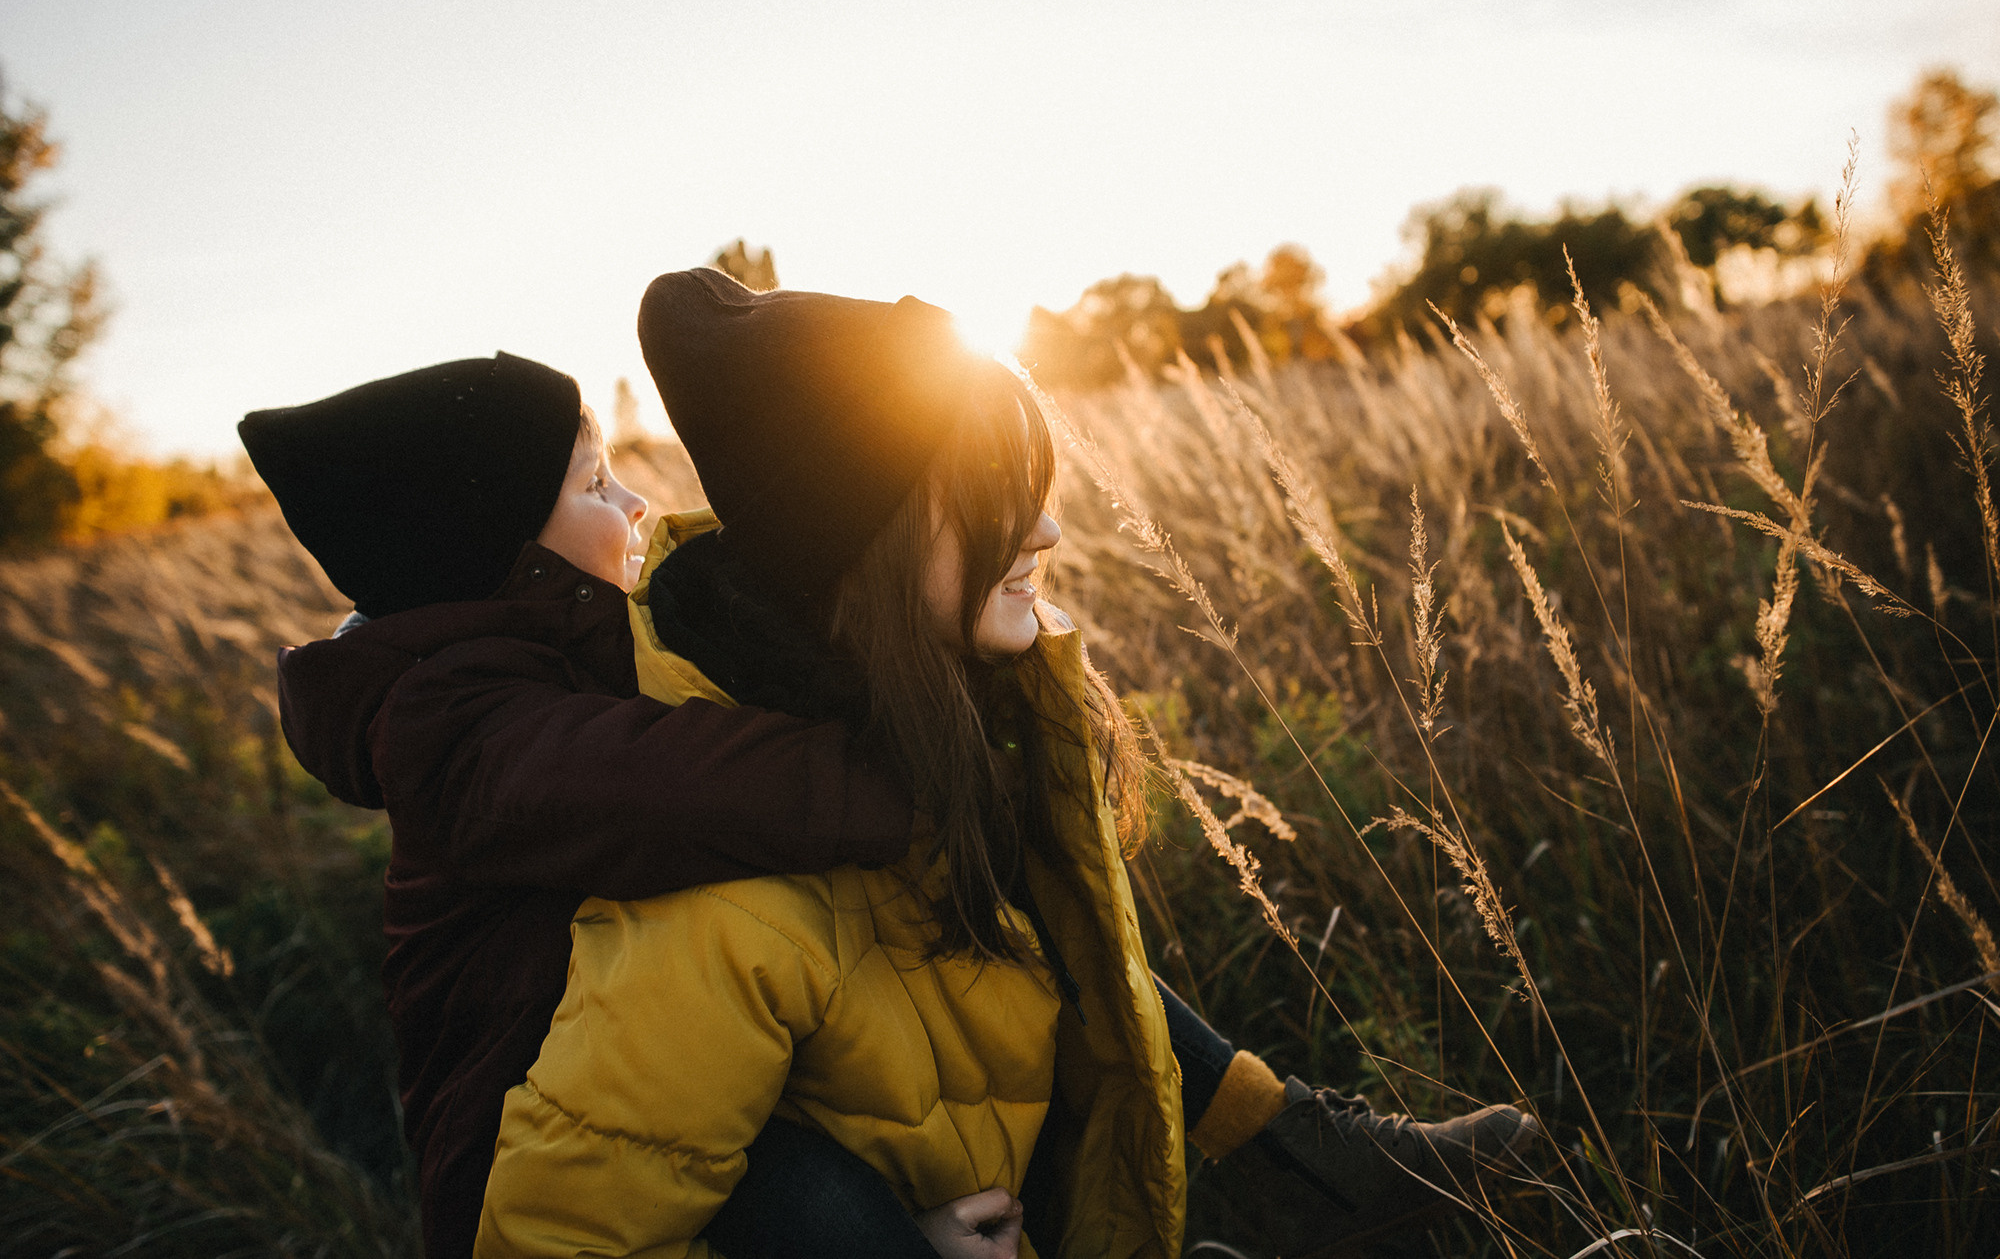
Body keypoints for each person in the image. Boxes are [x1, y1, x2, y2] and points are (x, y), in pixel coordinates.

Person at [474, 271, 1533, 1259]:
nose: (1047, 528)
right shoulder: (726, 878)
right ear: (862, 543)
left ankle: (1292, 1150)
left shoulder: (922, 717)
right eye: (988, 497)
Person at [238, 354, 937, 1259]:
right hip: (531, 1151)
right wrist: (916, 785)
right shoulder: (461, 736)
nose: (638, 502)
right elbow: (679, 786)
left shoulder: (542, 670)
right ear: (508, 557)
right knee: (816, 1201)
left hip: (643, 1084)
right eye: (596, 484)